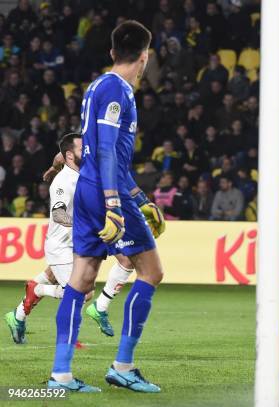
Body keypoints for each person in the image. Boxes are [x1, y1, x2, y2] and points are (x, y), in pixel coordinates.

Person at [48, 21, 165, 393]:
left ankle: (61, 374)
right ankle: (123, 366)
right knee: (151, 272)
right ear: (144, 56)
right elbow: (106, 150)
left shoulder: (98, 85)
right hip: (104, 192)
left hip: (88, 187)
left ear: (114, 52)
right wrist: (116, 203)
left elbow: (104, 153)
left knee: (81, 279)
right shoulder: (118, 89)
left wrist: (141, 198)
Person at [4, 133, 135, 344]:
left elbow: (59, 156)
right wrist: (84, 224)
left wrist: (55, 165)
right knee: (83, 294)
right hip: (62, 245)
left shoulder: (81, 166)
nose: (87, 151)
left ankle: (18, 315)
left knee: (126, 260)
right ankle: (39, 290)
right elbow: (58, 214)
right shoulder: (63, 183)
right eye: (81, 149)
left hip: (81, 241)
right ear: (70, 155)